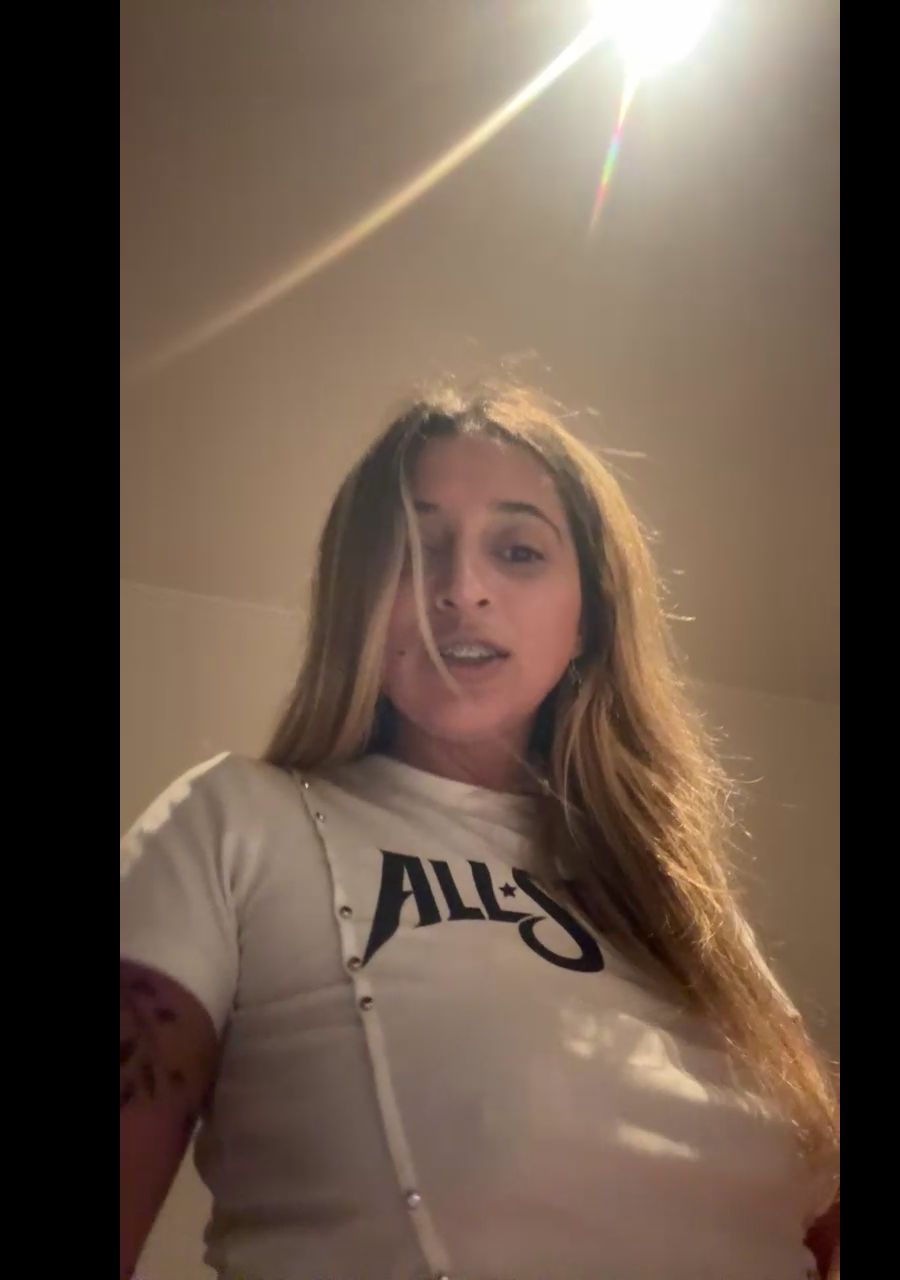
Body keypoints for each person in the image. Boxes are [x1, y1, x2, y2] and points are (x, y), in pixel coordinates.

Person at [120, 382, 840, 1280]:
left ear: (589, 616)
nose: (461, 590)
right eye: (414, 551)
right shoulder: (233, 822)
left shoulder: (685, 905)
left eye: (518, 551)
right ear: (356, 599)